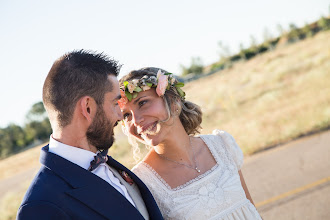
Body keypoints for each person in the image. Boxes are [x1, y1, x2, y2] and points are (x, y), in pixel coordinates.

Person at [17, 50, 163, 220]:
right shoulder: (41, 206)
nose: (119, 115)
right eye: (115, 103)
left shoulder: (110, 166)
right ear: (87, 107)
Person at [118, 67, 262, 220]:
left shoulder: (221, 145)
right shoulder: (143, 182)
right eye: (126, 115)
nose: (136, 120)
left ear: (173, 100)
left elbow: (251, 209)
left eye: (143, 103)